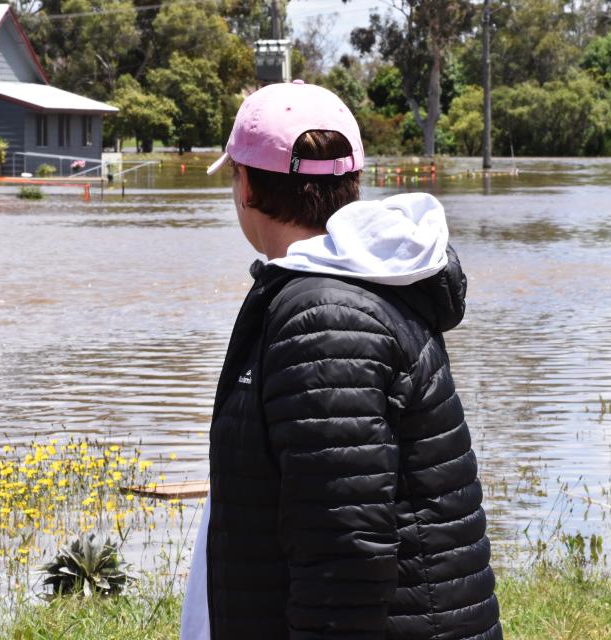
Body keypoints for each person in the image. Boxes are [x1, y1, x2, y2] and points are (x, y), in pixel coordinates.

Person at [181, 80, 502, 640]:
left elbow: (346, 556)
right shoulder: (352, 288)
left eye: (234, 174)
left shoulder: (324, 319)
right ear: (350, 182)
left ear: (249, 185)